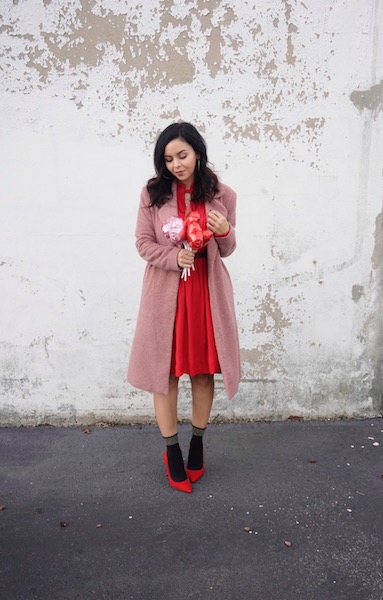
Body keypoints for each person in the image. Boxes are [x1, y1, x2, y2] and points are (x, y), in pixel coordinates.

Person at [127, 122, 241, 493]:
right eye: (168, 158)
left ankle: (197, 444)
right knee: (167, 373)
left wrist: (224, 231)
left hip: (205, 296)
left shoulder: (223, 194)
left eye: (182, 155)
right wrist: (173, 258)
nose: (176, 164)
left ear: (197, 152)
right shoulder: (152, 193)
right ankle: (171, 451)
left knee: (204, 372)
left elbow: (226, 250)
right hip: (166, 297)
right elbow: (143, 243)